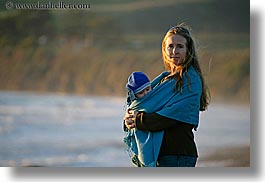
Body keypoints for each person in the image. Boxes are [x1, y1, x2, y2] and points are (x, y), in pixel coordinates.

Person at [123, 23, 210, 167]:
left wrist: (138, 120)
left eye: (180, 46)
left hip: (178, 155)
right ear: (164, 49)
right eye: (170, 46)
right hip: (161, 154)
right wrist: (130, 118)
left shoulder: (191, 79)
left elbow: (171, 116)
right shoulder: (165, 79)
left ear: (188, 50)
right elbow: (144, 104)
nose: (174, 51)